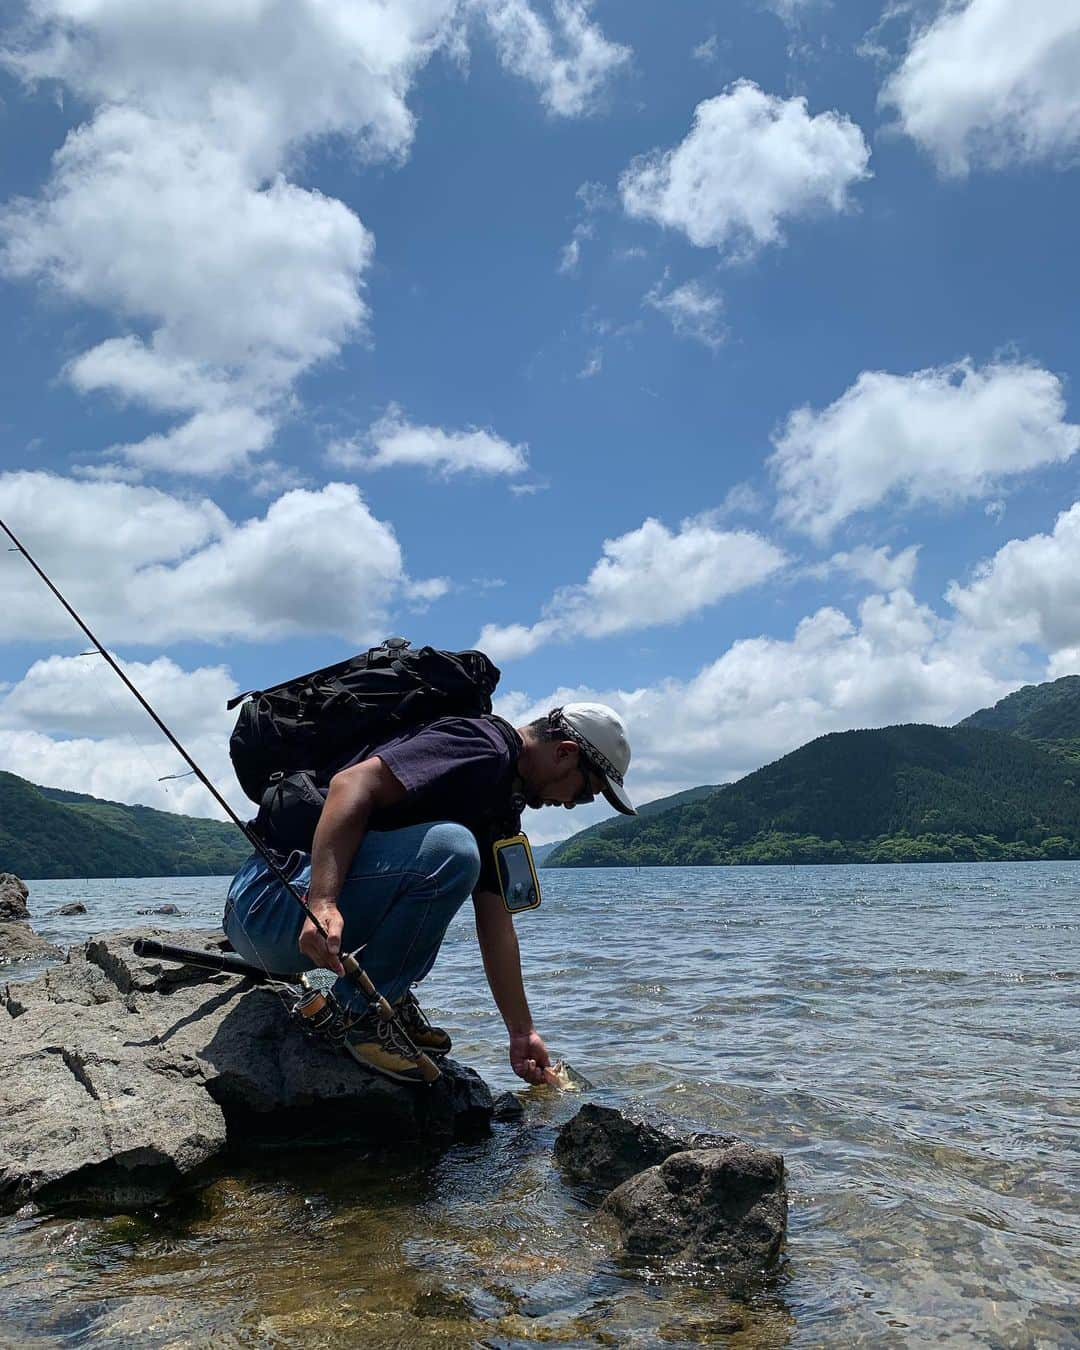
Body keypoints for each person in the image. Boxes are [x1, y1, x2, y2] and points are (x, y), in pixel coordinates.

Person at [223, 703, 635, 1084]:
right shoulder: (483, 746)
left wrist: (522, 1032)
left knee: (456, 853)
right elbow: (351, 783)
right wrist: (323, 902)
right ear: (564, 753)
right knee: (452, 850)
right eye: (586, 792)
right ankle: (361, 1015)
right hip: (267, 904)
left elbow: (497, 926)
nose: (571, 805)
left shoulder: (499, 805)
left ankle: (388, 1000)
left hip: (276, 917)